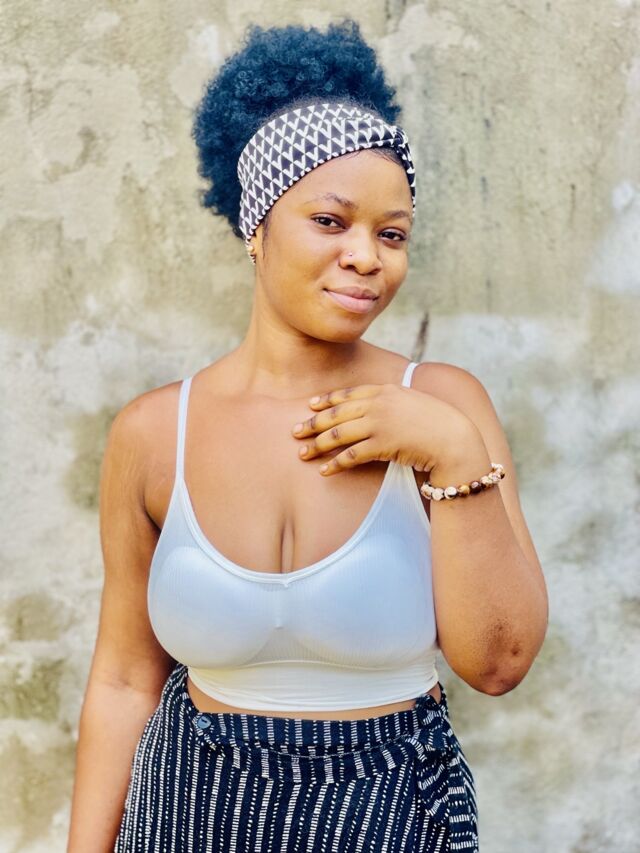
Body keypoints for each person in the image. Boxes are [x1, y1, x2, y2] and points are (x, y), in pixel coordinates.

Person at [67, 18, 548, 853]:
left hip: (387, 812)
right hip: (186, 812)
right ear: (256, 226)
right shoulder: (153, 433)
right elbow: (123, 678)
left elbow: (498, 664)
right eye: (331, 220)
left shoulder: (442, 403)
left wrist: (451, 450)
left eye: (391, 233)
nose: (367, 256)